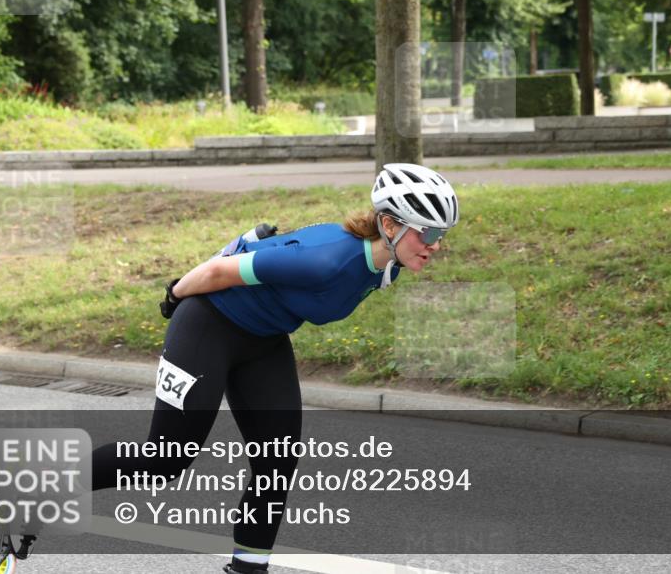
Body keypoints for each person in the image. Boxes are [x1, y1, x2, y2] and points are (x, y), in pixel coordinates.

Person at [91, 163, 459, 573]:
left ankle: (247, 570)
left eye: (441, 234)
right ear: (390, 225)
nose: (436, 244)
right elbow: (220, 270)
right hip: (207, 326)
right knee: (165, 459)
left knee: (276, 463)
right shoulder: (326, 261)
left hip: (264, 340)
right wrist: (174, 296)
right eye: (428, 232)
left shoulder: (388, 265)